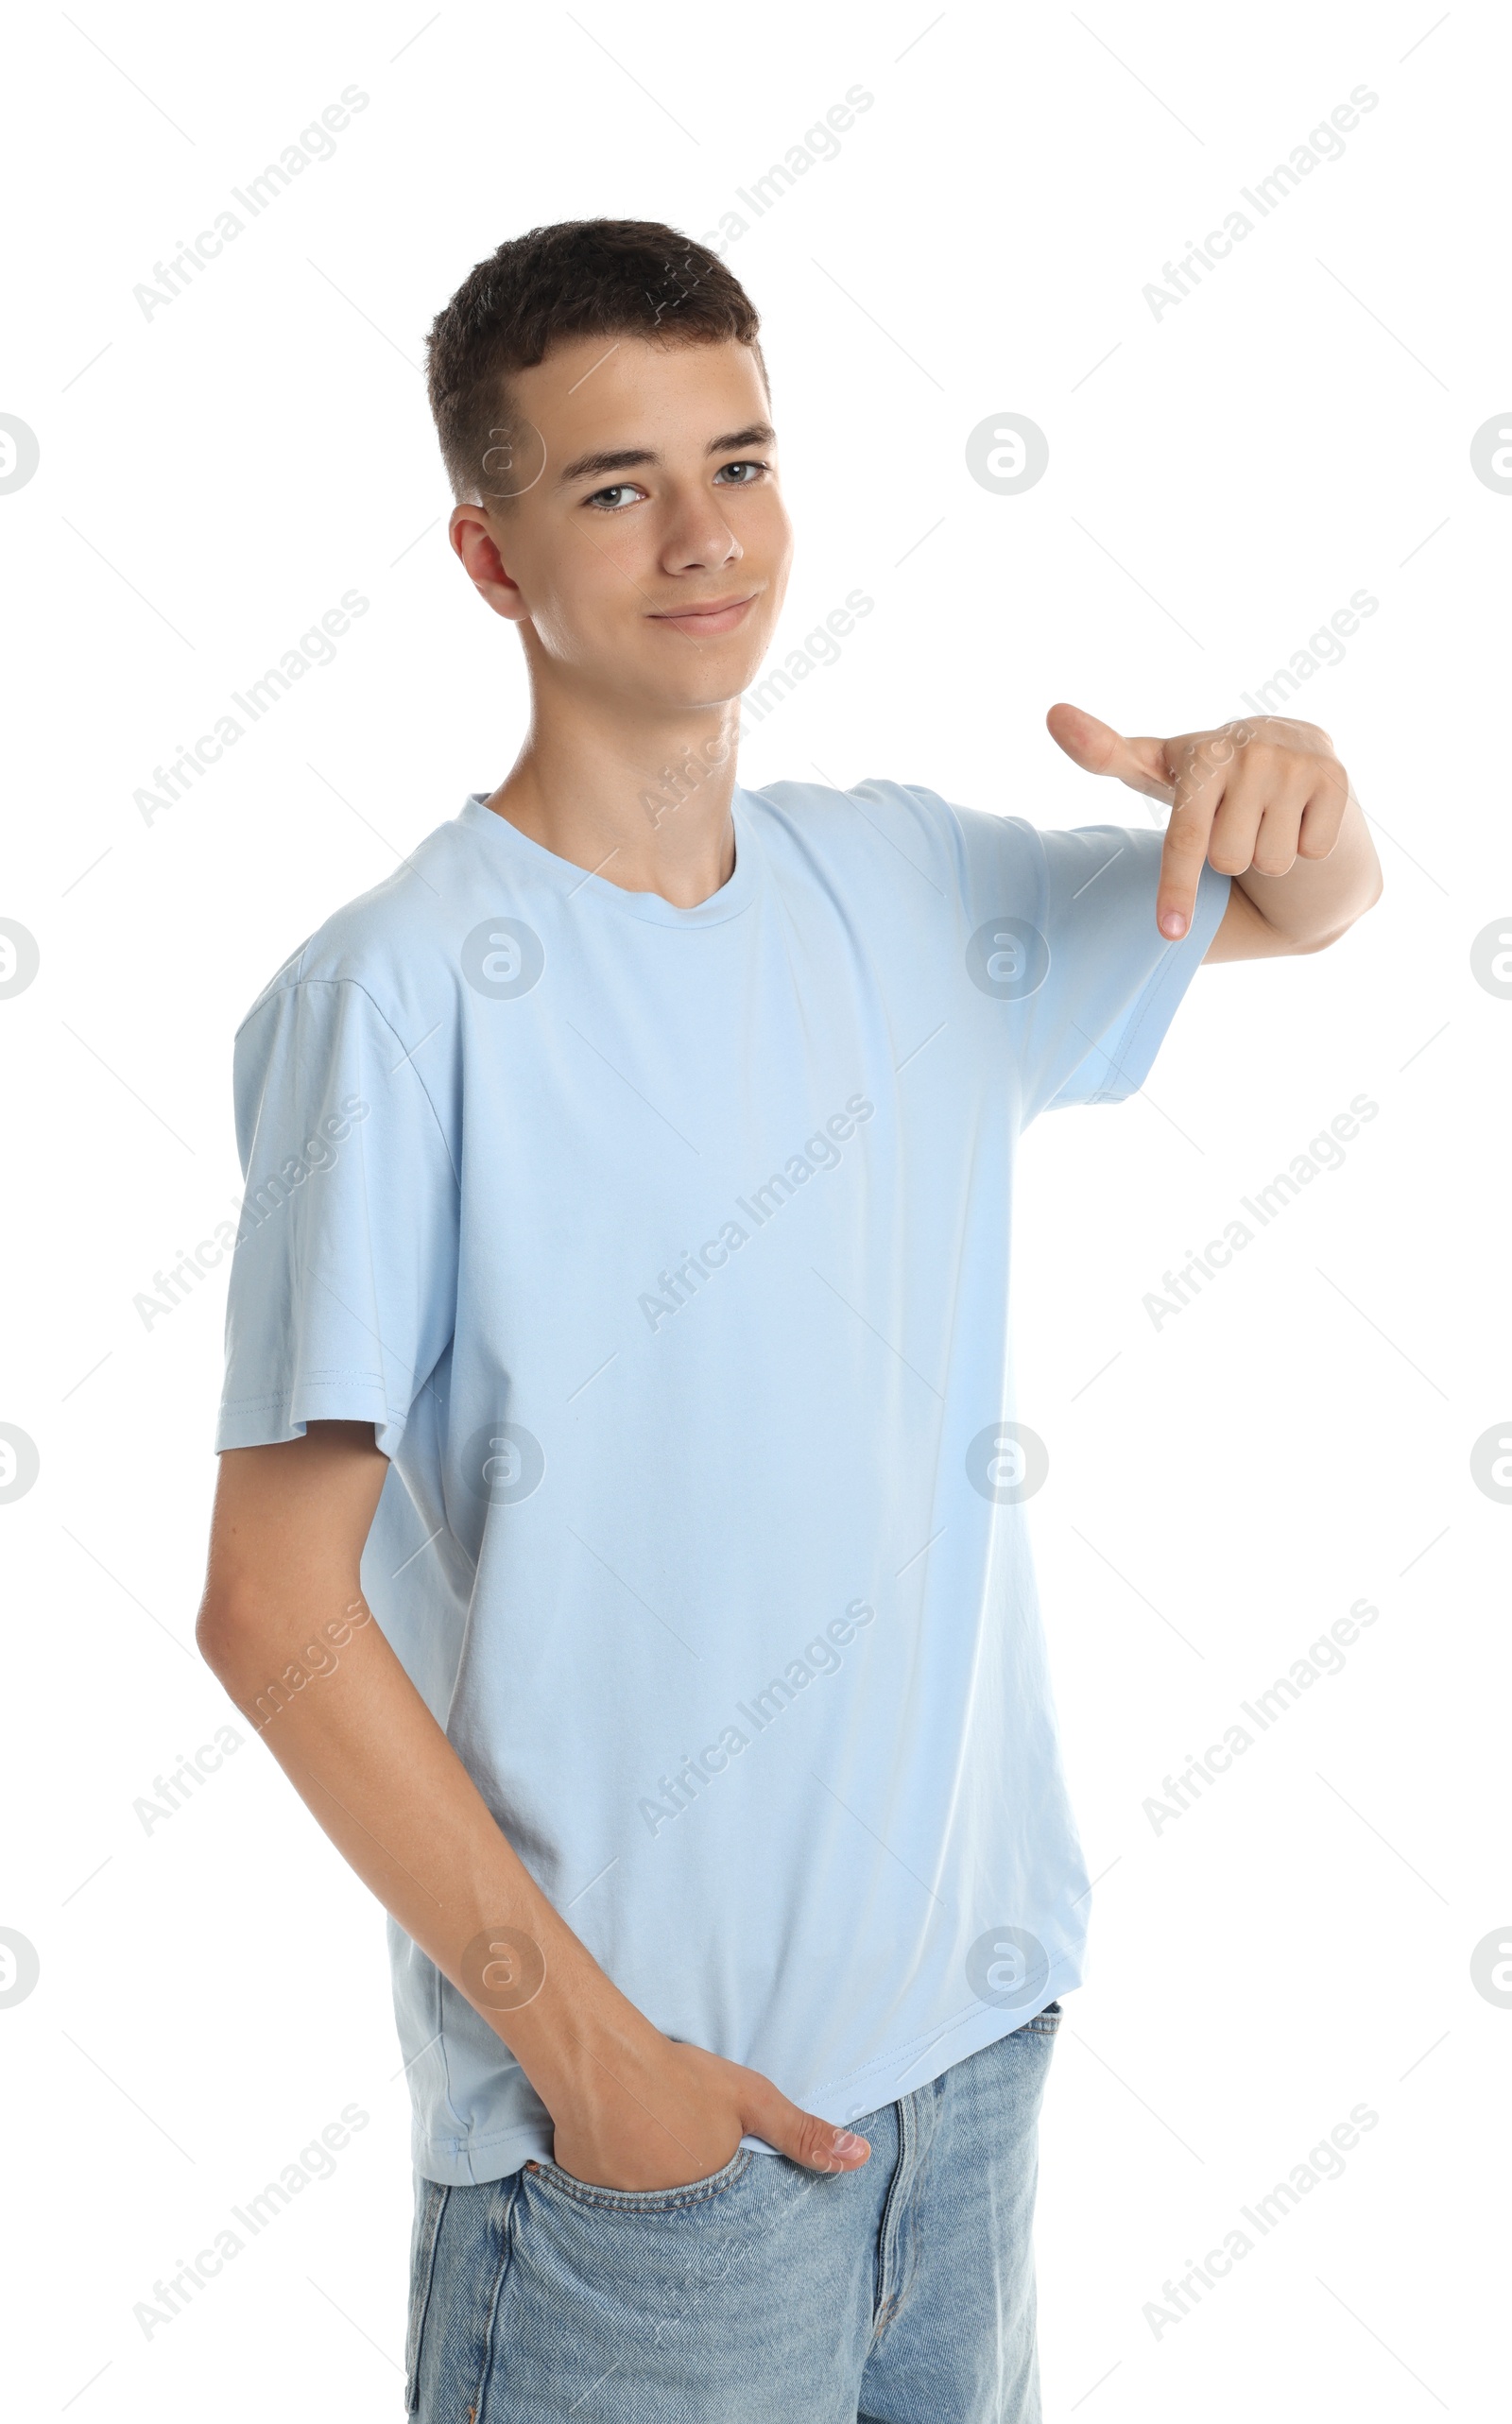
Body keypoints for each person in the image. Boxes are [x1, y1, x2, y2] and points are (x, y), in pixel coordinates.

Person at [195, 218, 1383, 2421]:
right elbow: (270, 1613)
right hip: (642, 2173)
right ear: (489, 556)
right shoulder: (398, 994)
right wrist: (599, 2064)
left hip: (966, 2095)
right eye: (617, 486)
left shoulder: (904, 884)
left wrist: (1287, 773)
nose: (702, 537)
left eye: (737, 461)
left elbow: (1301, 906)